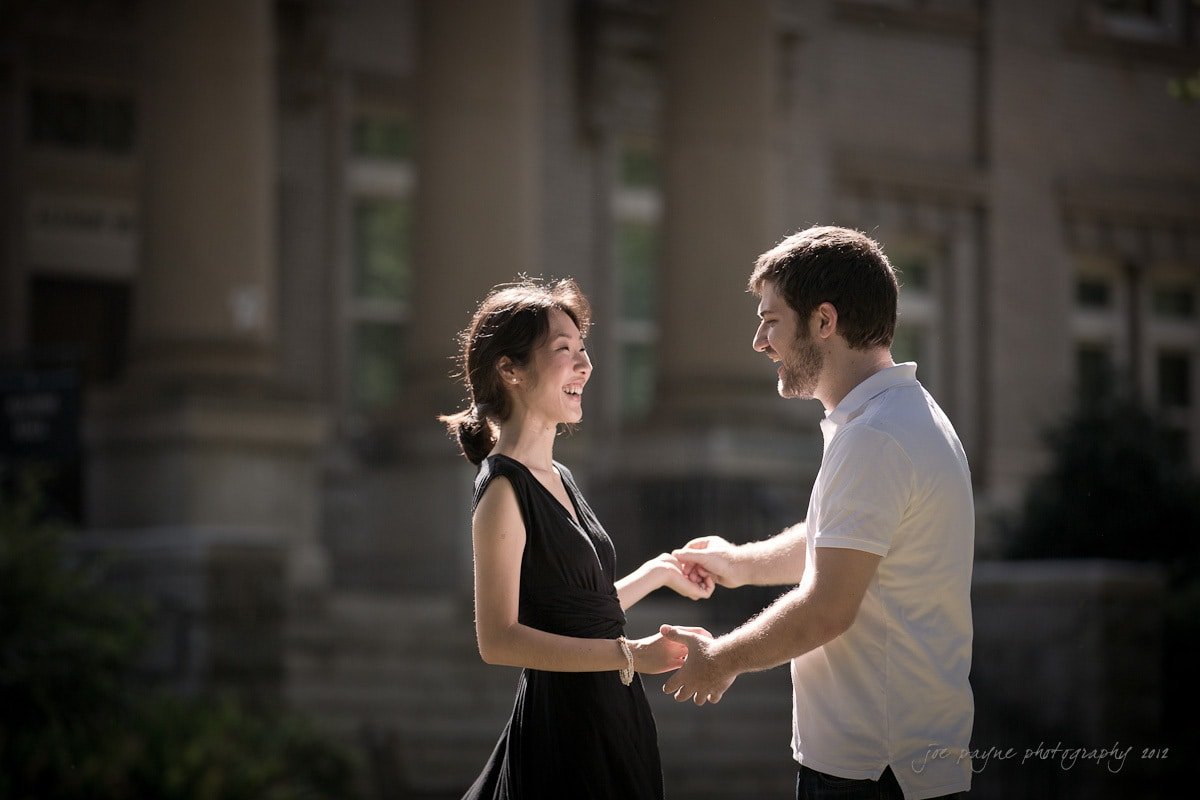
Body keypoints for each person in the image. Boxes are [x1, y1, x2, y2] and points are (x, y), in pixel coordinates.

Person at [661, 226, 974, 800]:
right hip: (895, 764)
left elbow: (829, 609)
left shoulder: (875, 437)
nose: (760, 341)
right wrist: (741, 563)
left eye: (772, 320)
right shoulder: (898, 416)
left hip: (874, 772)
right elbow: (844, 541)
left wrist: (721, 659)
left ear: (824, 321)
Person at [439, 277, 713, 800]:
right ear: (511, 370)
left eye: (583, 350)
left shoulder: (559, 475)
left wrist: (658, 573)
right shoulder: (502, 489)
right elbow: (497, 641)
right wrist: (630, 654)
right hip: (563, 731)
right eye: (563, 351)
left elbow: (580, 610)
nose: (584, 366)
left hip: (612, 715)